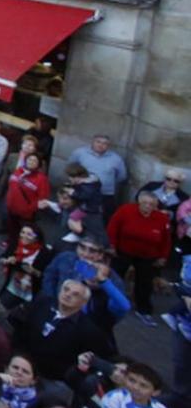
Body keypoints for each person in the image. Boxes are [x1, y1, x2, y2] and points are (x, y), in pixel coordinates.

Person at [11, 279, 112, 380]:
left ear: (84, 302)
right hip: (18, 363)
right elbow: (21, 330)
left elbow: (97, 359)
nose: (68, 295)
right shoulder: (42, 303)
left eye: (75, 294)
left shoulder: (88, 330)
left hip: (50, 378)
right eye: (66, 290)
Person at [106, 191, 173, 326]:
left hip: (148, 255)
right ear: (139, 203)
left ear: (156, 206)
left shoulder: (162, 218)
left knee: (145, 283)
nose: (148, 206)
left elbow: (166, 240)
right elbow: (113, 228)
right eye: (145, 203)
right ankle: (107, 301)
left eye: (152, 204)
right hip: (123, 251)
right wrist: (111, 245)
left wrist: (163, 256)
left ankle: (144, 310)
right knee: (115, 276)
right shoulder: (126, 210)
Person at [99, 361, 172, 408]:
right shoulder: (116, 397)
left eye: (143, 386)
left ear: (155, 392)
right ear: (125, 378)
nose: (135, 387)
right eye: (132, 380)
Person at [67, 135, 127, 217]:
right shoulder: (79, 153)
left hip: (105, 194)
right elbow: (71, 168)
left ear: (108, 146)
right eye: (98, 142)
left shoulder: (116, 159)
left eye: (105, 143)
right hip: (82, 192)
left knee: (104, 217)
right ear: (92, 142)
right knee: (77, 216)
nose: (100, 145)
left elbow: (121, 176)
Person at [0, 224, 52, 309]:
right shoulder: (15, 244)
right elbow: (1, 257)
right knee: (0, 307)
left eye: (29, 234)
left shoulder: (44, 253)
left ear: (36, 237)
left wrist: (33, 271)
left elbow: (45, 274)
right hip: (14, 286)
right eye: (22, 232)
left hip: (32, 290)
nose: (24, 236)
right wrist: (6, 261)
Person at [5, 146, 50, 246]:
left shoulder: (41, 179)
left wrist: (30, 208)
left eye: (34, 161)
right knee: (12, 227)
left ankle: (21, 246)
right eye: (29, 159)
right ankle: (11, 243)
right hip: (12, 208)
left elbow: (43, 197)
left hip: (27, 212)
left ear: (38, 164)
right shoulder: (18, 171)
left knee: (24, 231)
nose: (31, 162)